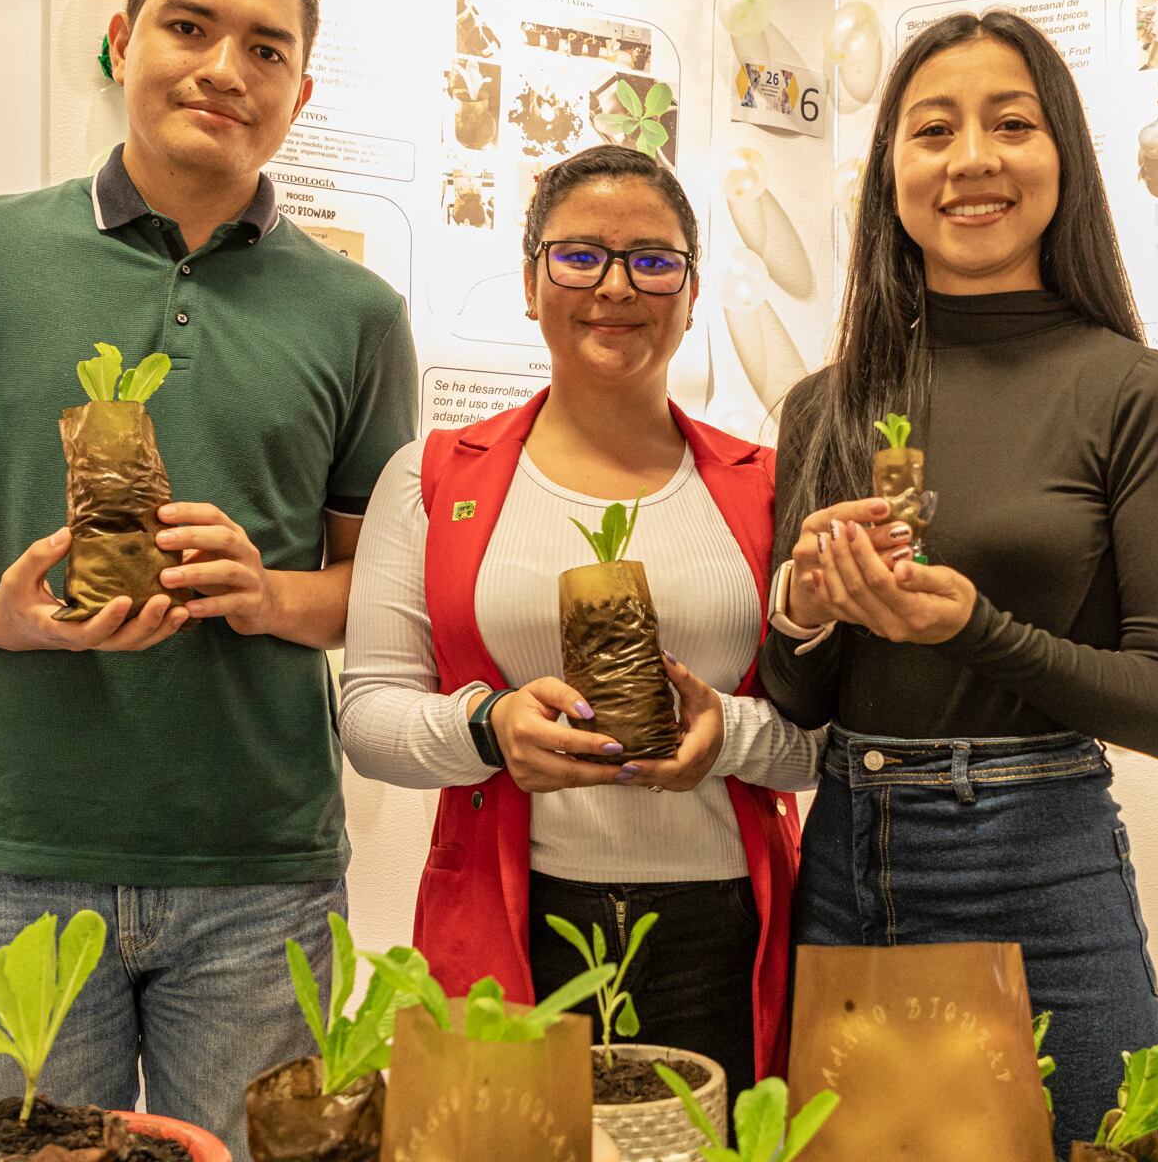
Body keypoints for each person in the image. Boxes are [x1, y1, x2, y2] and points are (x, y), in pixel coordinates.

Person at [0, 0, 416, 1154]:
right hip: (4, 855)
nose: (225, 68)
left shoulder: (358, 314)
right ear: (124, 40)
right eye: (189, 26)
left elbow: (378, 588)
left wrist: (268, 593)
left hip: (257, 871)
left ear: (299, 91)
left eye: (267, 48)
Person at [761, 10, 1158, 1151]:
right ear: (893, 174)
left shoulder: (1142, 394)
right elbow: (798, 701)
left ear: (1062, 155)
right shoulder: (826, 404)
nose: (972, 158)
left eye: (1011, 124)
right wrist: (806, 609)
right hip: (851, 855)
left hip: (1047, 866)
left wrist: (976, 627)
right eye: (934, 131)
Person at [338, 145, 833, 1096]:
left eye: (653, 261)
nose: (616, 287)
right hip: (512, 918)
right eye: (579, 256)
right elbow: (368, 716)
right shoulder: (432, 476)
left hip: (725, 928)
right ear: (531, 284)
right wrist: (488, 727)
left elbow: (826, 740)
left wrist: (725, 736)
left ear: (691, 295)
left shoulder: (768, 488)